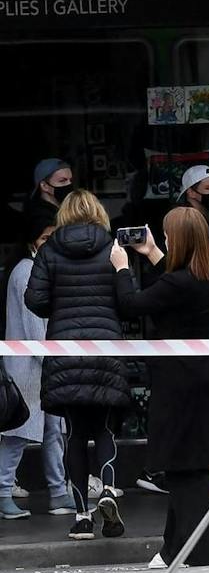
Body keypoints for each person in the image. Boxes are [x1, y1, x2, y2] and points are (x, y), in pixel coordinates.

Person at [110, 209, 209, 566]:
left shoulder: (178, 284)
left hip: (178, 383)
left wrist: (121, 267)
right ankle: (173, 547)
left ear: (176, 239)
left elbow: (132, 305)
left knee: (182, 466)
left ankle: (206, 548)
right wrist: (151, 254)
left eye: (164, 236)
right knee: (195, 465)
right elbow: (177, 283)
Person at [25, 190, 132, 540]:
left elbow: (35, 300)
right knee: (104, 429)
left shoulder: (50, 250)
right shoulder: (113, 246)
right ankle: (107, 490)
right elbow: (126, 298)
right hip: (104, 349)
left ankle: (82, 516)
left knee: (74, 434)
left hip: (65, 351)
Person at [0, 220, 70, 520]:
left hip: (40, 364)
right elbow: (34, 330)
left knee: (52, 431)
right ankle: (4, 493)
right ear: (33, 241)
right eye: (45, 236)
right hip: (31, 367)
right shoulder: (27, 272)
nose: (51, 242)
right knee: (19, 433)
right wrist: (56, 361)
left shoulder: (34, 269)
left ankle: (59, 492)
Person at [24, 159, 73, 240]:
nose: (69, 184)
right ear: (44, 186)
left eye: (70, 180)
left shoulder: (65, 210)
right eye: (62, 181)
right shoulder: (40, 220)